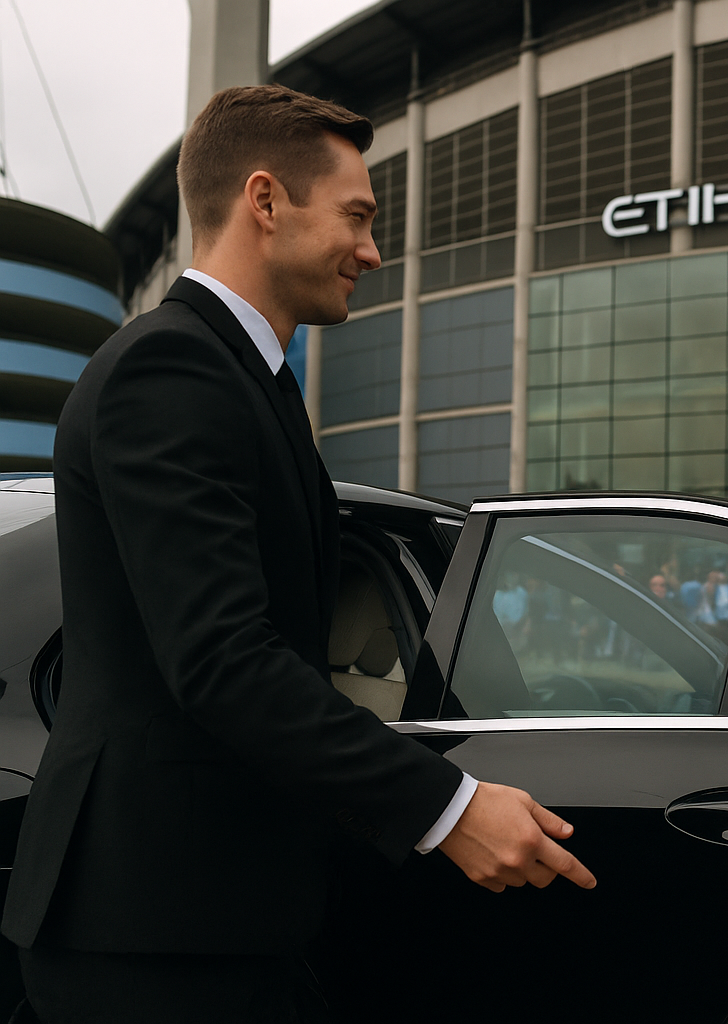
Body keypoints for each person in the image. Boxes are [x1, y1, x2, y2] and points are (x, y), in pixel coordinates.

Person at [1, 85, 594, 1022]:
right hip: (154, 930)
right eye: (356, 216)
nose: (373, 249)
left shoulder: (244, 381)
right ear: (266, 201)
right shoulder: (173, 370)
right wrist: (446, 806)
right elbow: (224, 661)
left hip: (215, 918)